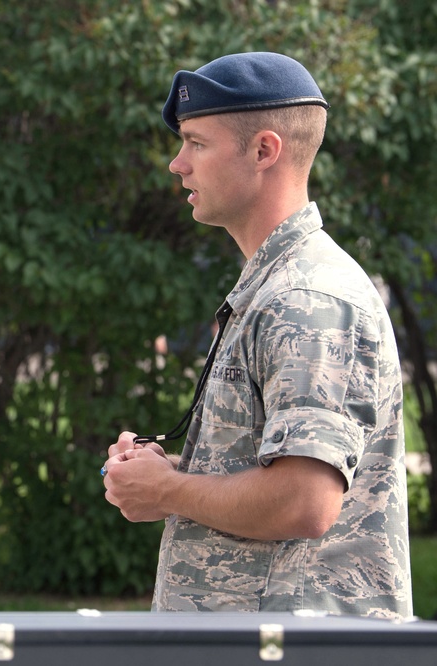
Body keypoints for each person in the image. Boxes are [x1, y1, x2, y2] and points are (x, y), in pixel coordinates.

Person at [102, 52, 413, 618]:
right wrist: (168, 475)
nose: (177, 164)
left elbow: (304, 501)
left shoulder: (307, 299)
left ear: (265, 150)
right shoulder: (275, 286)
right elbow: (277, 473)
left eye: (196, 143)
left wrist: (169, 492)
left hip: (290, 648)